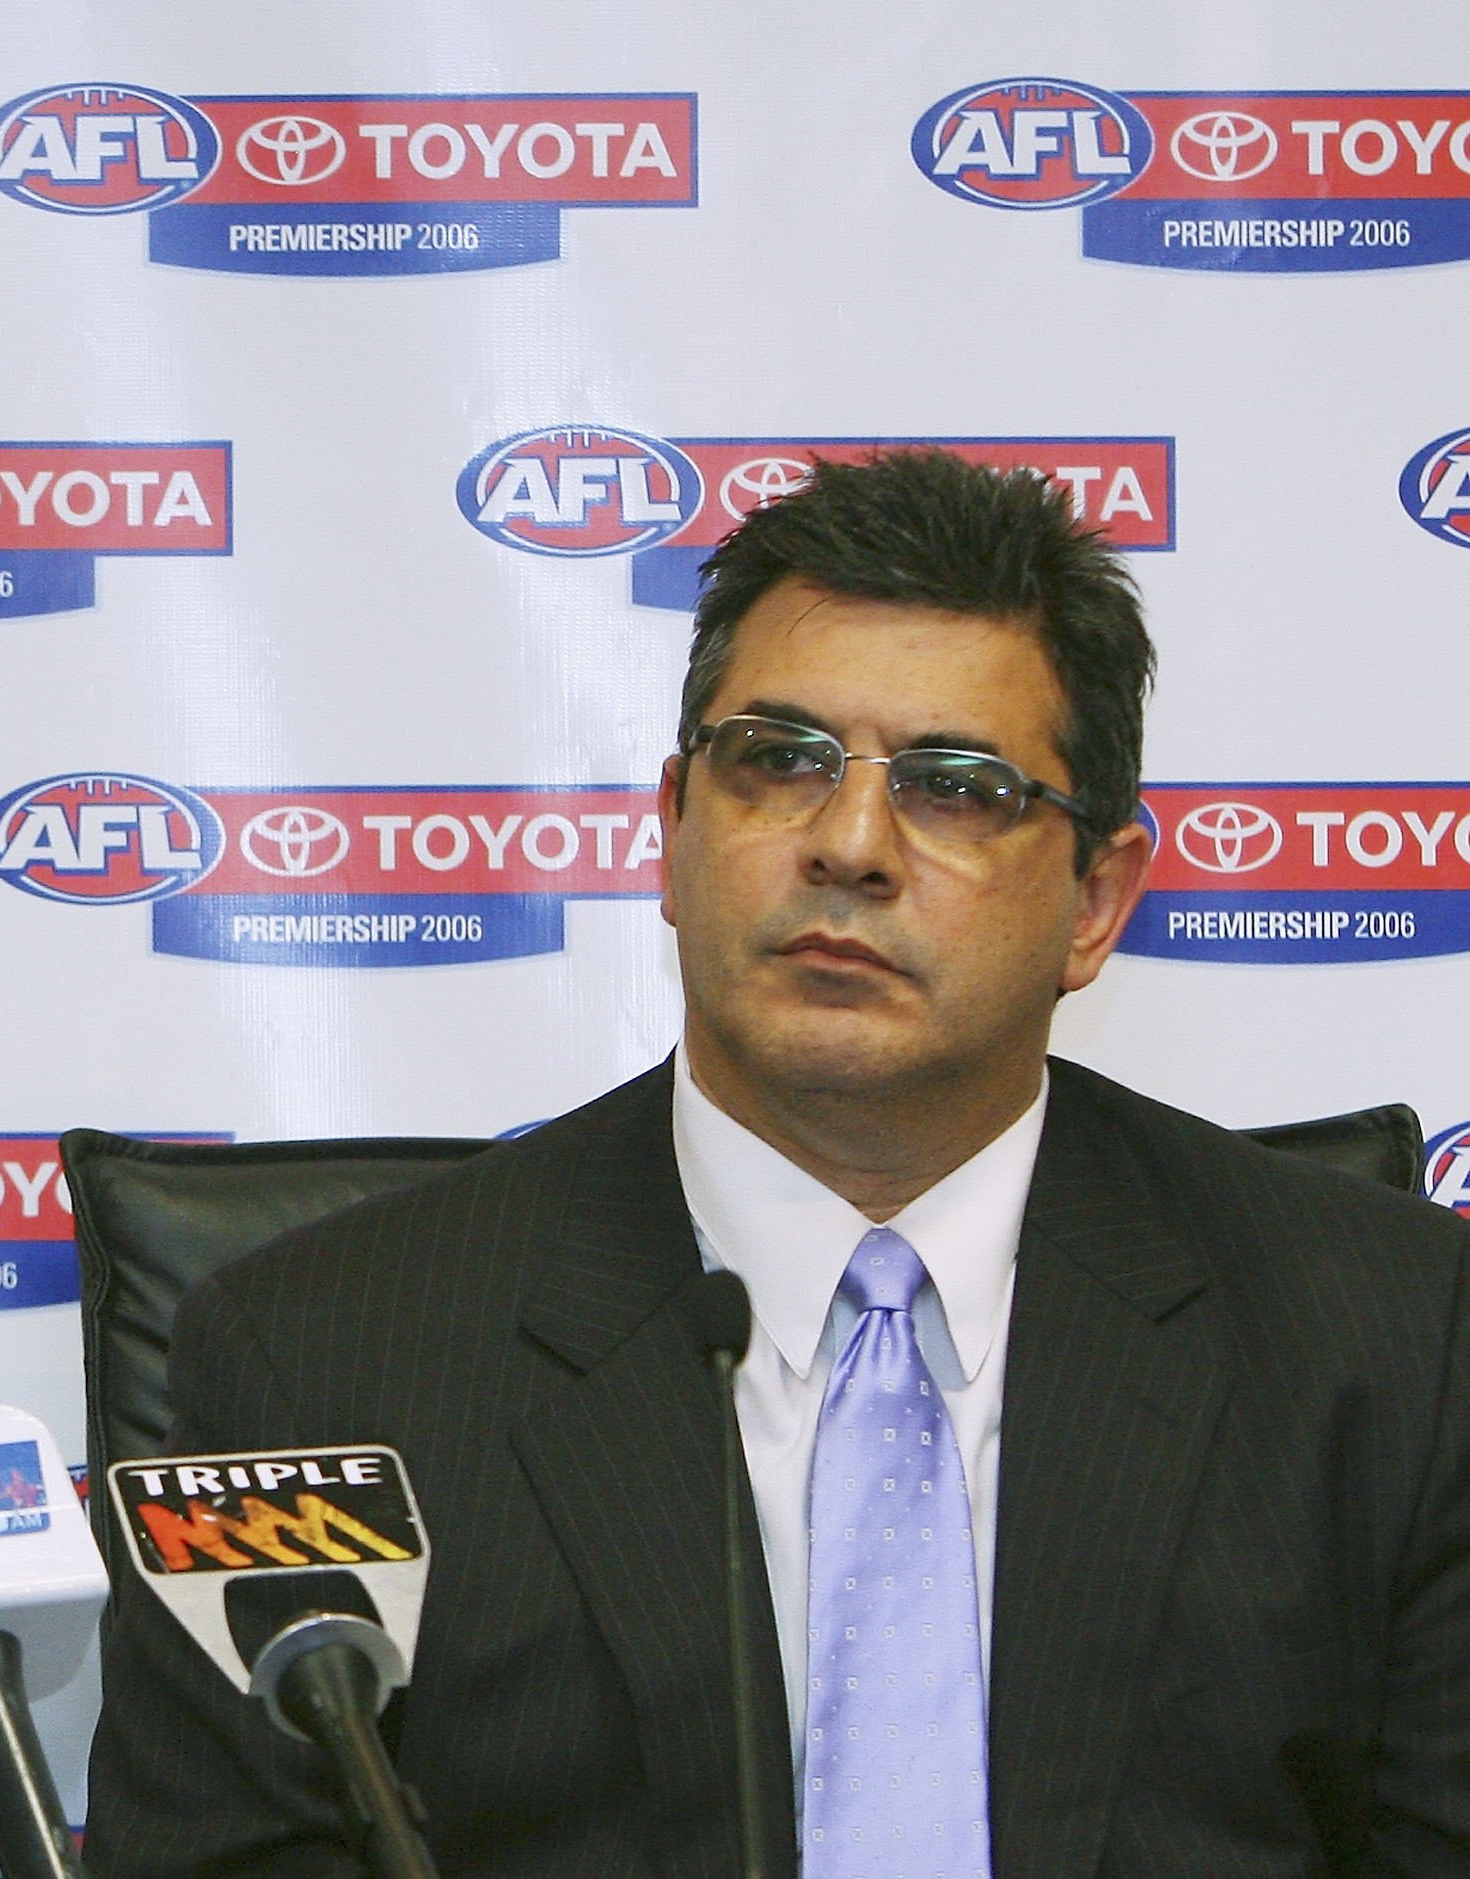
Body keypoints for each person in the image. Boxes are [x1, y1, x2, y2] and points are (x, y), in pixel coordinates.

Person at [85, 450, 1470, 1874]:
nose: (850, 846)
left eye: (959, 786)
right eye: (781, 762)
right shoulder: (320, 1357)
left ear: (1096, 901)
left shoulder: (1394, 1340)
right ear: (674, 831)